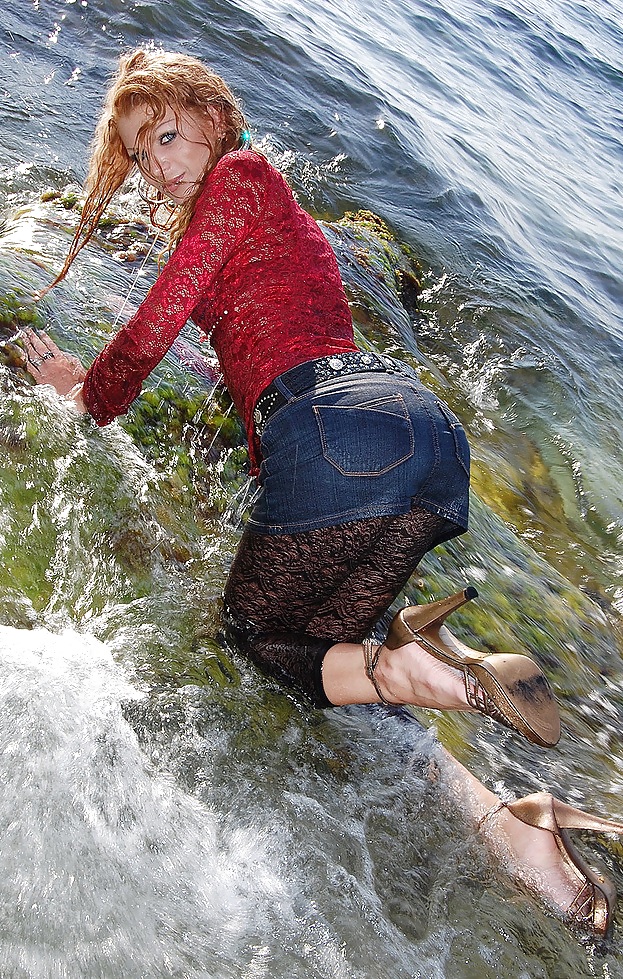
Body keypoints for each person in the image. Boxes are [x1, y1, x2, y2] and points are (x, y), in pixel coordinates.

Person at [22, 47, 623, 938]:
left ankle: (432, 667)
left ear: (213, 119)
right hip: (419, 446)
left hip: (338, 436)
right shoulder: (274, 212)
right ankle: (520, 835)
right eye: (141, 154)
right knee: (330, 673)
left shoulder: (239, 175)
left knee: (253, 639)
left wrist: (81, 392)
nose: (159, 163)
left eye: (166, 135)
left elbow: (152, 326)